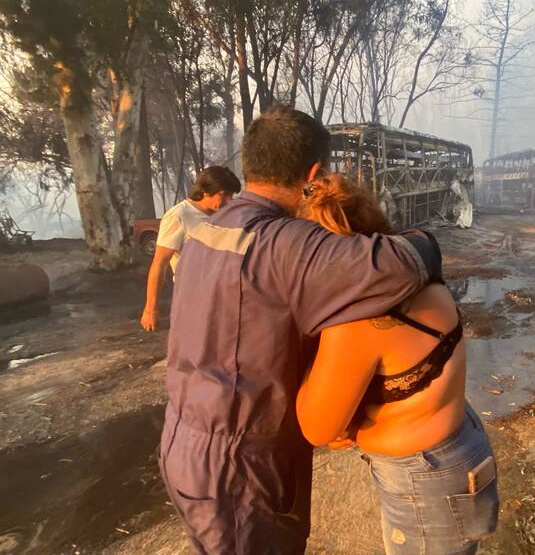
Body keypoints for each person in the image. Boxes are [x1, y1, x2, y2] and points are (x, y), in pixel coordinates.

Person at [159, 105, 442, 555]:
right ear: (313, 173)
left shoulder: (206, 233)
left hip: (182, 440)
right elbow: (402, 265)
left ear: (249, 165)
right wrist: (425, 240)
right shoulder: (280, 244)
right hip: (240, 467)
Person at [295, 173, 499, 555]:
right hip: (460, 445)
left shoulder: (356, 323)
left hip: (424, 482)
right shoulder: (426, 284)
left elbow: (316, 427)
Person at [141, 165, 241, 331]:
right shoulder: (179, 215)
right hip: (193, 299)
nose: (228, 200)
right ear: (205, 191)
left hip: (225, 299)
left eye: (231, 195)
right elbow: (159, 263)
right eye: (223, 195)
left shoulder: (225, 215)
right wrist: (151, 309)